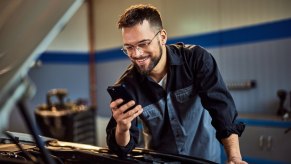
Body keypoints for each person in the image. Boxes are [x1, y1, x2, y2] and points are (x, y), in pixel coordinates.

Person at [106, 4, 247, 164]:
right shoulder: (128, 85)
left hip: (204, 159)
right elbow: (121, 148)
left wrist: (234, 157)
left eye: (143, 44)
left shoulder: (196, 60)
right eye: (129, 47)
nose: (137, 54)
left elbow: (222, 111)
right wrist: (122, 128)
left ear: (162, 37)